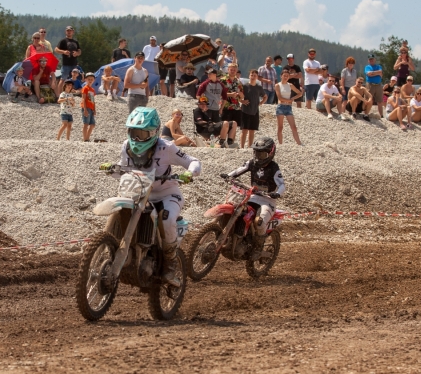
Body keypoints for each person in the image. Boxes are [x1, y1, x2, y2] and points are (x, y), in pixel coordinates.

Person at [100, 107, 201, 287]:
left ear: (154, 132)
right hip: (137, 194)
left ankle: (170, 263)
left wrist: (189, 174)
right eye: (134, 132)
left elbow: (193, 161)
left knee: (167, 219)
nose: (137, 138)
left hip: (166, 195)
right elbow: (123, 170)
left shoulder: (166, 147)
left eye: (142, 133)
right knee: (118, 210)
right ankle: (105, 251)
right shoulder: (126, 146)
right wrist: (113, 168)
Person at [221, 137, 285, 261]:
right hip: (252, 196)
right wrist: (228, 175)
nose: (259, 157)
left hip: (267, 200)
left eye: (262, 154)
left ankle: (258, 248)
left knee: (259, 222)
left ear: (270, 153)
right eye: (257, 153)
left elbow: (282, 184)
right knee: (236, 210)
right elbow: (239, 170)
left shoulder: (274, 167)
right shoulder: (252, 162)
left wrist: (277, 193)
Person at [274, 71, 303, 145]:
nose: (286, 77)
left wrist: (293, 98)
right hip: (281, 106)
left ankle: (299, 143)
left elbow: (299, 93)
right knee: (280, 127)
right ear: (281, 76)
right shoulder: (277, 85)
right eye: (284, 75)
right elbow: (280, 98)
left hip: (288, 107)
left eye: (287, 76)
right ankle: (280, 144)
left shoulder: (290, 85)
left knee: (293, 127)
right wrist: (289, 100)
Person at [240, 70, 266, 149]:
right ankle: (242, 147)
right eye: (252, 75)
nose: (253, 77)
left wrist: (261, 103)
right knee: (244, 130)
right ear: (249, 76)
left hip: (255, 111)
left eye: (255, 75)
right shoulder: (245, 86)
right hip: (245, 110)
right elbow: (238, 96)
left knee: (252, 130)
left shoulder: (259, 87)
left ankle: (250, 147)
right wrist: (242, 101)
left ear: (257, 77)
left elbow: (265, 96)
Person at [221, 63, 243, 144]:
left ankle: (231, 143)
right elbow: (219, 94)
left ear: (236, 70)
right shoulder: (223, 80)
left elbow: (242, 95)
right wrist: (230, 94)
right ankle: (223, 142)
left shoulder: (238, 81)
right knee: (225, 125)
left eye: (234, 70)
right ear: (228, 70)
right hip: (226, 106)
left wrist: (241, 95)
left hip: (236, 107)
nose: (233, 71)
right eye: (231, 69)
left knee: (235, 126)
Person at [55, 26, 81, 93]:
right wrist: (63, 52)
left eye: (70, 30)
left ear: (73, 32)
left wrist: (77, 53)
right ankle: (59, 95)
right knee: (63, 79)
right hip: (66, 63)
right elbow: (56, 49)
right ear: (65, 32)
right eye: (68, 31)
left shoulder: (76, 41)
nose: (69, 32)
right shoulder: (63, 41)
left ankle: (71, 93)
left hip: (74, 63)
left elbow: (80, 51)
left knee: (74, 79)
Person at [81, 72, 97, 141]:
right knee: (86, 123)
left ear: (94, 80)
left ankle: (87, 138)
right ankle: (85, 139)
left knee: (92, 124)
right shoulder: (85, 88)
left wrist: (94, 109)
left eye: (92, 79)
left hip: (91, 107)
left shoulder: (92, 90)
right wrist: (84, 109)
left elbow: (92, 100)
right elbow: (83, 99)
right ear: (86, 80)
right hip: (86, 107)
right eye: (89, 79)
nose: (90, 80)